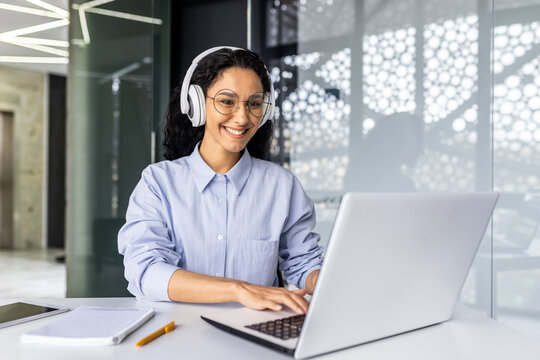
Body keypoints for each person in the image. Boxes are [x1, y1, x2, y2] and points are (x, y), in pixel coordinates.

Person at [118, 47, 323, 315]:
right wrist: (238, 289)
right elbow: (146, 272)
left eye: (254, 103)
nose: (242, 117)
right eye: (227, 101)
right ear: (195, 104)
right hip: (175, 333)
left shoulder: (282, 187)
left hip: (255, 336)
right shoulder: (158, 183)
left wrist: (322, 279)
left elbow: (303, 262)